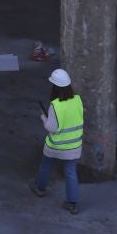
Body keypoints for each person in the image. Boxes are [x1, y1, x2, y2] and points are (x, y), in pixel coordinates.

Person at [30, 67, 84, 214]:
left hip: (56, 146)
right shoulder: (77, 100)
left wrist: (43, 117)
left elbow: (51, 128)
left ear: (55, 86)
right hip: (74, 145)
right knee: (71, 172)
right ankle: (73, 204)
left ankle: (40, 189)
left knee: (46, 166)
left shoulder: (56, 105)